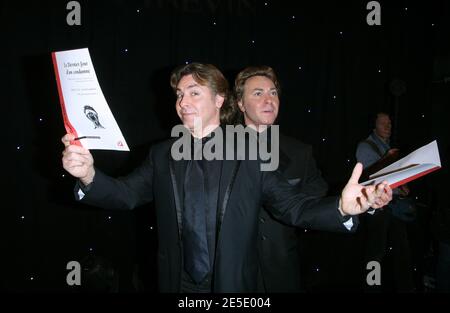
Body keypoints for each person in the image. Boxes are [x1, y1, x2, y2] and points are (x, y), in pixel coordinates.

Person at [62, 62, 392, 293]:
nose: (182, 102)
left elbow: (293, 207)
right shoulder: (162, 154)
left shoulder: (250, 153)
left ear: (220, 100)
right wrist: (89, 175)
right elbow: (126, 194)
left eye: (193, 93)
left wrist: (343, 209)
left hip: (234, 287)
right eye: (179, 94)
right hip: (176, 283)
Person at [232, 66, 328, 292]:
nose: (268, 100)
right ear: (240, 104)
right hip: (231, 271)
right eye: (258, 93)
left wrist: (361, 200)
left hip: (283, 271)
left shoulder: (300, 152)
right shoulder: (217, 149)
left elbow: (317, 199)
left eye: (273, 93)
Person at [356, 112, 415, 292]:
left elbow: (392, 180)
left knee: (401, 251)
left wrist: (402, 188)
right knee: (375, 252)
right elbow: (369, 178)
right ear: (374, 127)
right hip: (376, 208)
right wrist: (388, 159)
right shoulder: (365, 146)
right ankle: (371, 287)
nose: (388, 126)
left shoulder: (387, 146)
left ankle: (404, 287)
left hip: (392, 206)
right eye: (383, 123)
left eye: (389, 123)